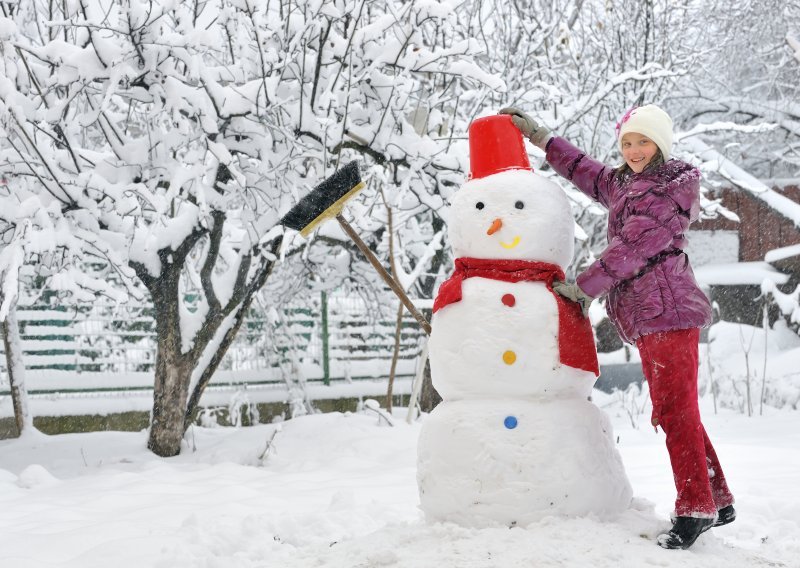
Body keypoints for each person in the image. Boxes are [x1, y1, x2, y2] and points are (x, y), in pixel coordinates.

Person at [500, 104, 735, 550]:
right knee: (676, 408)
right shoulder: (627, 185)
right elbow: (585, 171)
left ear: (661, 145)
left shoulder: (667, 193)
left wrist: (584, 288)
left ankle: (694, 508)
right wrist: (544, 139)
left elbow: (632, 247)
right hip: (652, 316)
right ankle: (715, 498)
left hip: (668, 312)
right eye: (627, 142)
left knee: (674, 412)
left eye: (643, 142)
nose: (633, 150)